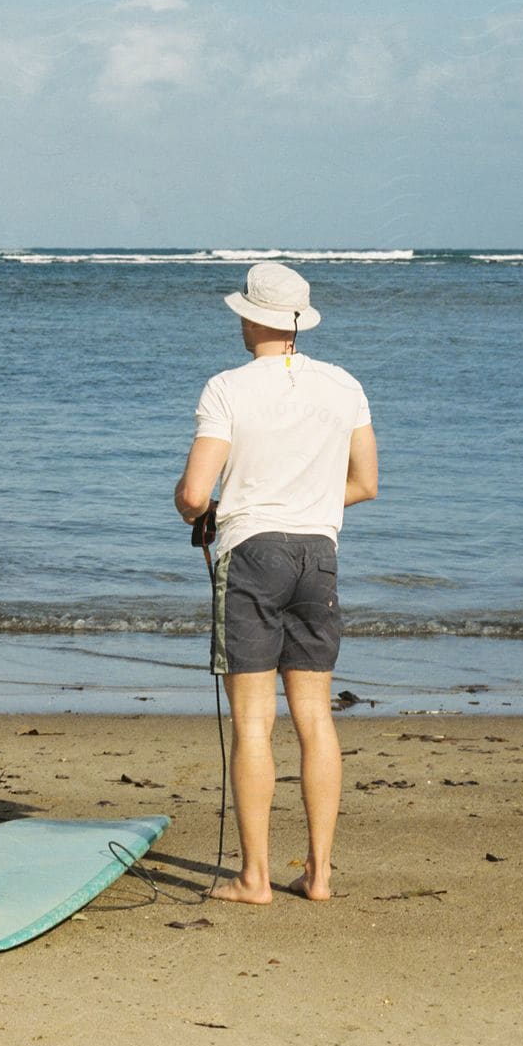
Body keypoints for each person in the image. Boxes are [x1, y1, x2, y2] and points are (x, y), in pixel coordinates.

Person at [173, 262, 378, 904]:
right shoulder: (344, 385)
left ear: (254, 318)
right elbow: (366, 484)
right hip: (319, 554)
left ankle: (255, 876)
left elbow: (192, 493)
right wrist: (309, 499)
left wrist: (205, 514)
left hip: (253, 554)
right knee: (315, 717)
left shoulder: (227, 388)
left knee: (254, 724)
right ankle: (319, 874)